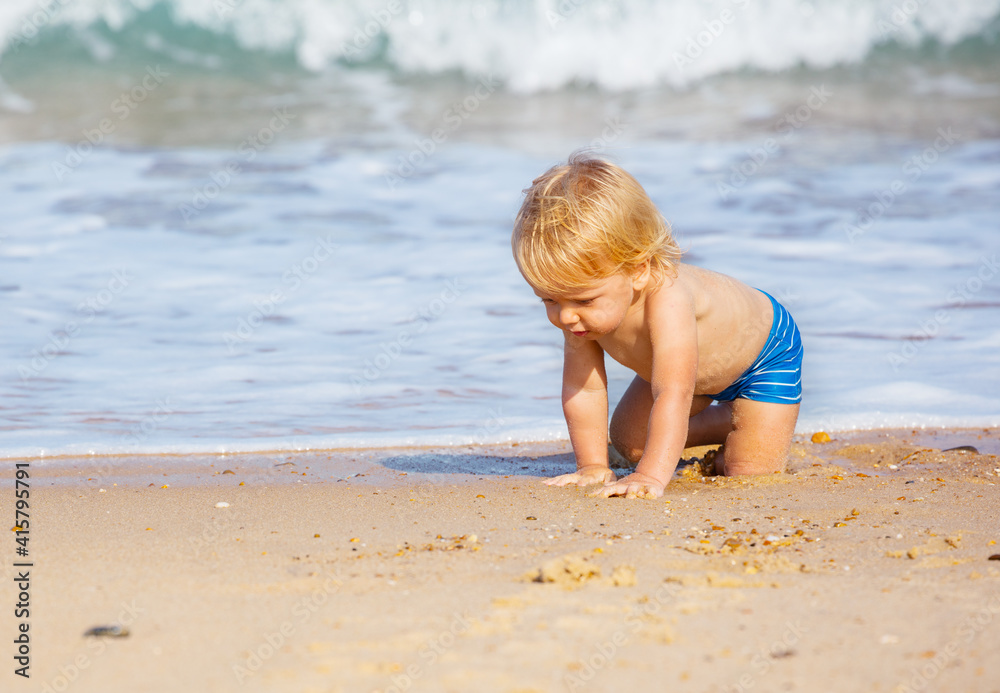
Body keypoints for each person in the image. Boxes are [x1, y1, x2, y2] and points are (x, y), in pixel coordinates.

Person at [511, 152, 803, 499]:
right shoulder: (577, 315)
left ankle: (748, 417)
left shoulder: (669, 300)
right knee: (630, 443)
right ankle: (729, 419)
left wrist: (650, 475)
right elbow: (584, 389)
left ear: (638, 270)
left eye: (584, 301)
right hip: (693, 377)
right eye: (549, 300)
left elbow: (672, 393)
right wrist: (592, 466)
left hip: (764, 357)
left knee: (746, 473)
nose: (565, 317)